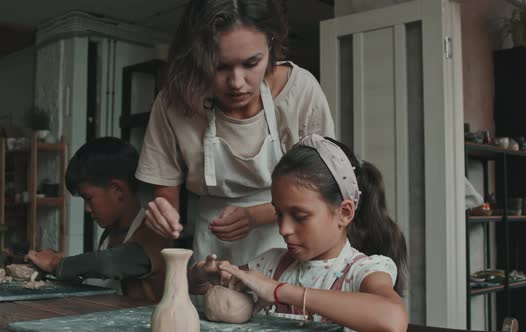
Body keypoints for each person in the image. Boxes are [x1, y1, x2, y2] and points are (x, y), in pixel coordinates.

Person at [136, 0, 335, 266]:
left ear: (271, 44)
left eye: (252, 63)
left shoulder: (300, 92)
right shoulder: (175, 102)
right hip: (213, 242)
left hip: (289, 238)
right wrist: (164, 212)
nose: (237, 83)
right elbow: (166, 188)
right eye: (220, 66)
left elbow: (321, 190)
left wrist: (254, 216)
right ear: (197, 56)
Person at [189, 134, 408, 332]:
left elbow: (393, 319)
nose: (283, 229)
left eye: (300, 216)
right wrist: (201, 275)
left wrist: (278, 291)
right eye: (279, 214)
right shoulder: (270, 265)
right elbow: (202, 287)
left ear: (344, 212)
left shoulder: (362, 272)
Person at [25, 137, 171, 303]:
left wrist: (56, 264)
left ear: (118, 191)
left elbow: (111, 263)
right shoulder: (111, 233)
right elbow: (99, 276)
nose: (87, 209)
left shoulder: (155, 232)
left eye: (89, 198)